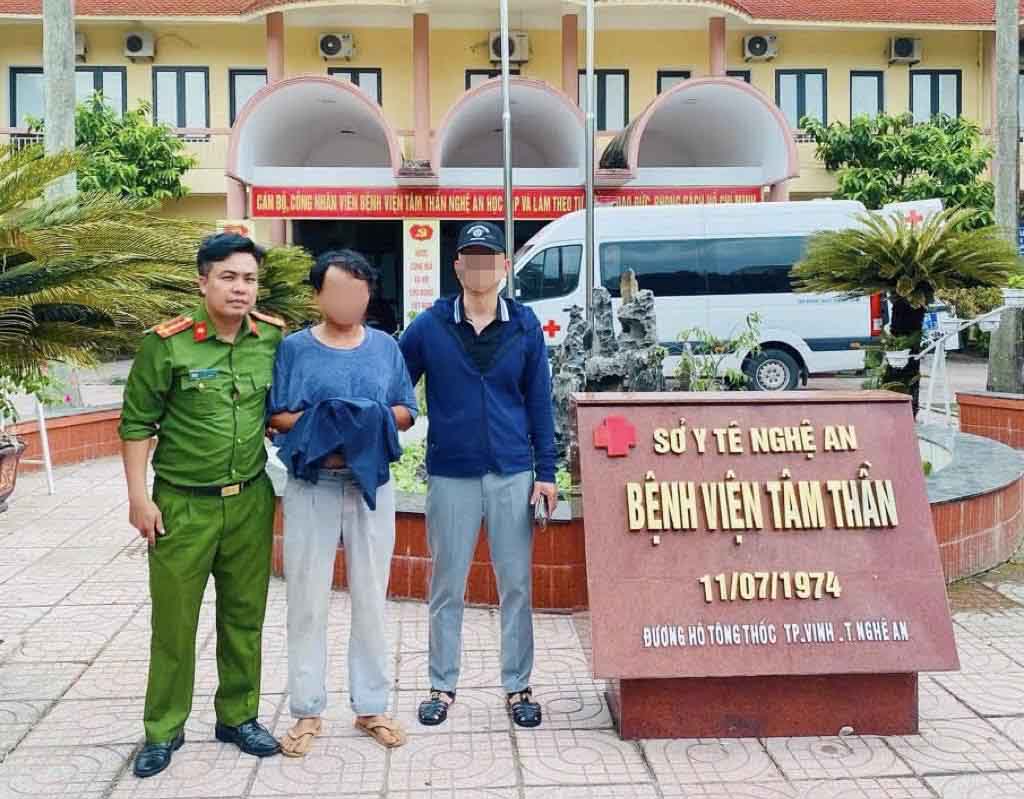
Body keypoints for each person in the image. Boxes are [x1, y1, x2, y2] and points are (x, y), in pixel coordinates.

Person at [119, 233, 284, 778]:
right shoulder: (167, 344)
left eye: (250, 279)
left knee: (245, 617)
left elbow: (284, 410)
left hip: (250, 502)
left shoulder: (272, 339)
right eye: (229, 277)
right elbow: (137, 424)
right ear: (203, 281)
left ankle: (238, 717)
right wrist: (138, 498)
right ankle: (163, 729)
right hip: (182, 506)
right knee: (174, 622)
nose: (241, 289)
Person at [399, 221, 558, 729]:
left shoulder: (525, 325)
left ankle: (518, 687)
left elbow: (539, 402)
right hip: (451, 474)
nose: (482, 266)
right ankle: (441, 686)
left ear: (505, 267)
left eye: (491, 257)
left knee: (516, 585)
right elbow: (396, 383)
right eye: (472, 256)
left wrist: (546, 472)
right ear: (458, 267)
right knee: (447, 583)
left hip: (512, 473)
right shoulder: (430, 326)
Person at [268, 249, 417, 756]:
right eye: (337, 292)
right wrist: (325, 419)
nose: (349, 301)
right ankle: (308, 710)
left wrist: (366, 417)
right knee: (306, 599)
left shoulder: (385, 348)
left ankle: (371, 706)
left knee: (373, 597)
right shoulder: (294, 349)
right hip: (313, 485)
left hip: (370, 486)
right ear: (318, 296)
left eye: (358, 292)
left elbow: (405, 412)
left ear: (368, 296)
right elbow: (278, 417)